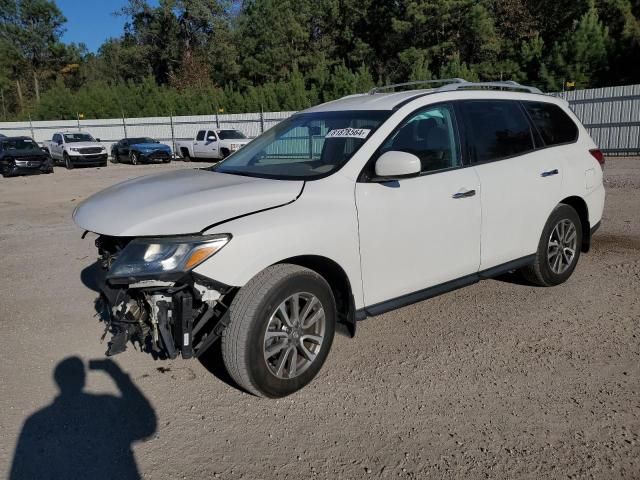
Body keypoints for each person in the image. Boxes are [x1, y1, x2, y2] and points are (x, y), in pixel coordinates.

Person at [10, 357, 156, 480]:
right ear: (83, 379)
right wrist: (115, 373)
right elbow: (148, 426)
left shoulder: (35, 421)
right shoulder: (108, 404)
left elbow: (19, 471)